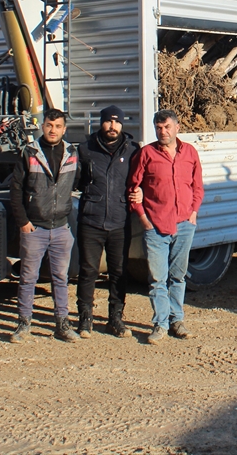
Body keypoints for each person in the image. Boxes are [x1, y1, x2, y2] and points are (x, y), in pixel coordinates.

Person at [127, 109, 204, 345]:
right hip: (156, 226)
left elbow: (197, 185)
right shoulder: (146, 154)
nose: (163, 131)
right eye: (159, 127)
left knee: (178, 276)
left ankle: (177, 320)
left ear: (177, 127)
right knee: (157, 278)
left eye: (167, 127)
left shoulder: (189, 152)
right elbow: (132, 188)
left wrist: (192, 213)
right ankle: (160, 324)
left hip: (184, 224)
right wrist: (144, 219)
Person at [8, 109, 83, 344]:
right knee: (28, 278)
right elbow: (16, 191)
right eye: (50, 125)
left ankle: (62, 324)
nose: (53, 130)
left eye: (58, 126)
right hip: (35, 229)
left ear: (64, 129)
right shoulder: (29, 153)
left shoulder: (72, 153)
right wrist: (23, 222)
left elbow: (80, 181)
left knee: (61, 278)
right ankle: (24, 324)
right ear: (43, 126)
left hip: (61, 228)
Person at [75, 104, 139, 338]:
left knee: (119, 273)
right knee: (88, 271)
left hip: (120, 220)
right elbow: (78, 181)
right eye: (108, 121)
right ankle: (85, 319)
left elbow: (139, 180)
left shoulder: (132, 150)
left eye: (117, 122)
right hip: (91, 220)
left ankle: (115, 319)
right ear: (101, 122)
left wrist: (140, 193)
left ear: (122, 124)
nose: (113, 126)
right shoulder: (85, 149)